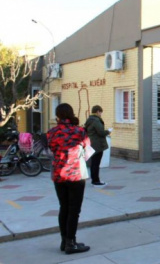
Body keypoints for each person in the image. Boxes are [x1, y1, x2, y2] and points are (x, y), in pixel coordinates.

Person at [47, 103, 91, 254]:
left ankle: (64, 240)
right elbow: (87, 149)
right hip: (75, 175)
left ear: (58, 115)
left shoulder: (52, 132)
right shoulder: (79, 131)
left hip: (59, 175)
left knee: (63, 208)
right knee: (74, 210)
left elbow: (51, 149)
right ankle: (71, 243)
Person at [84, 105, 111, 187]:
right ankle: (96, 180)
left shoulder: (89, 120)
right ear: (98, 111)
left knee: (94, 163)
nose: (101, 114)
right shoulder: (96, 120)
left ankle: (94, 179)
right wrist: (108, 131)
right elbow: (101, 132)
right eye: (100, 112)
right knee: (96, 163)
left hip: (91, 143)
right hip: (97, 144)